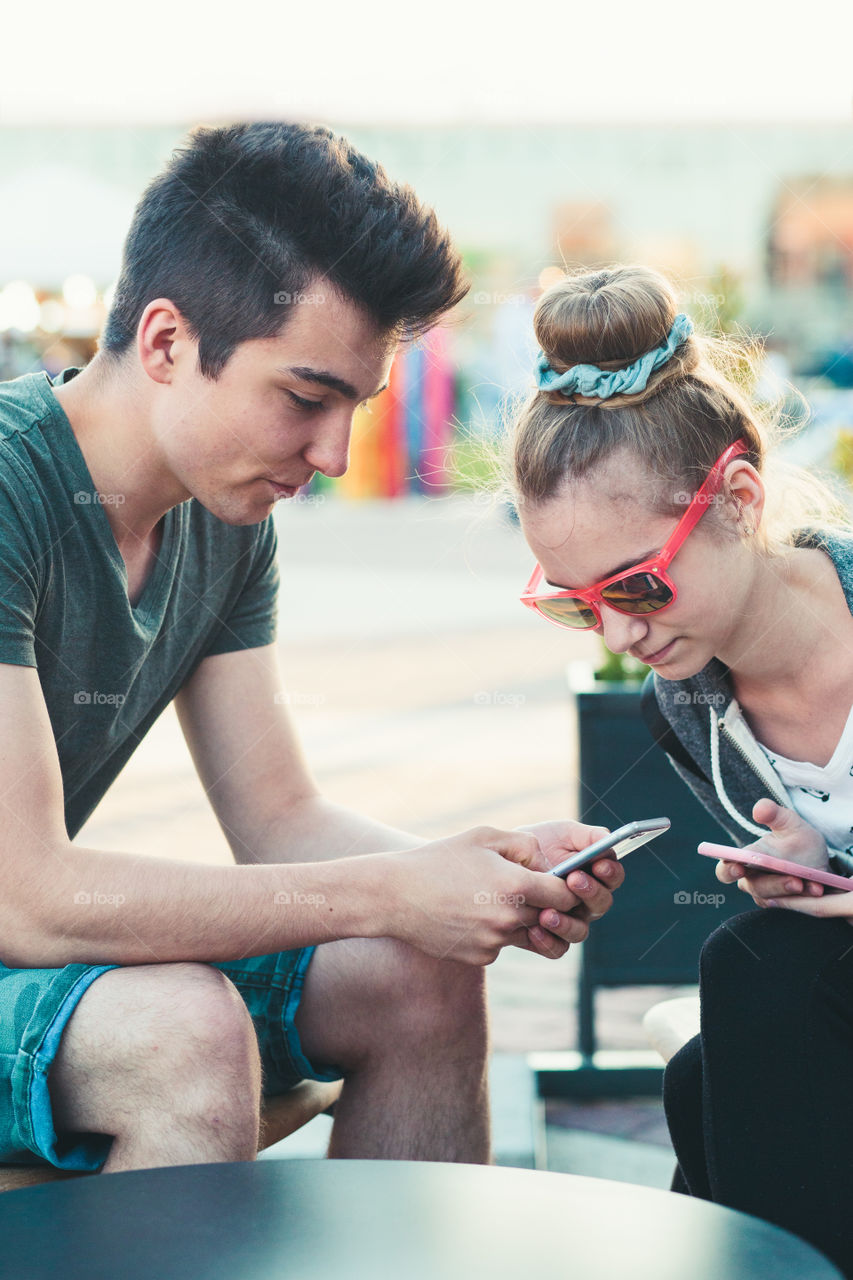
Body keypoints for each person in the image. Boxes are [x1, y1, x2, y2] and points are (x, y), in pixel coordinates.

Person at [0, 124, 626, 1177]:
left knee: (418, 968)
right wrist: (390, 889)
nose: (334, 454)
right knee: (182, 1031)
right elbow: (28, 891)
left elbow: (280, 818)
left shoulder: (226, 518)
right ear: (164, 344)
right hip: (26, 919)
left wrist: (479, 872)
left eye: (355, 405)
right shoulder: (14, 487)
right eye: (305, 397)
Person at [508, 262, 853, 1277]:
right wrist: (813, 855)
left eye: (639, 583)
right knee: (701, 1073)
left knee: (744, 972)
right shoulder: (690, 705)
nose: (618, 631)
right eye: (575, 602)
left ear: (737, 498)